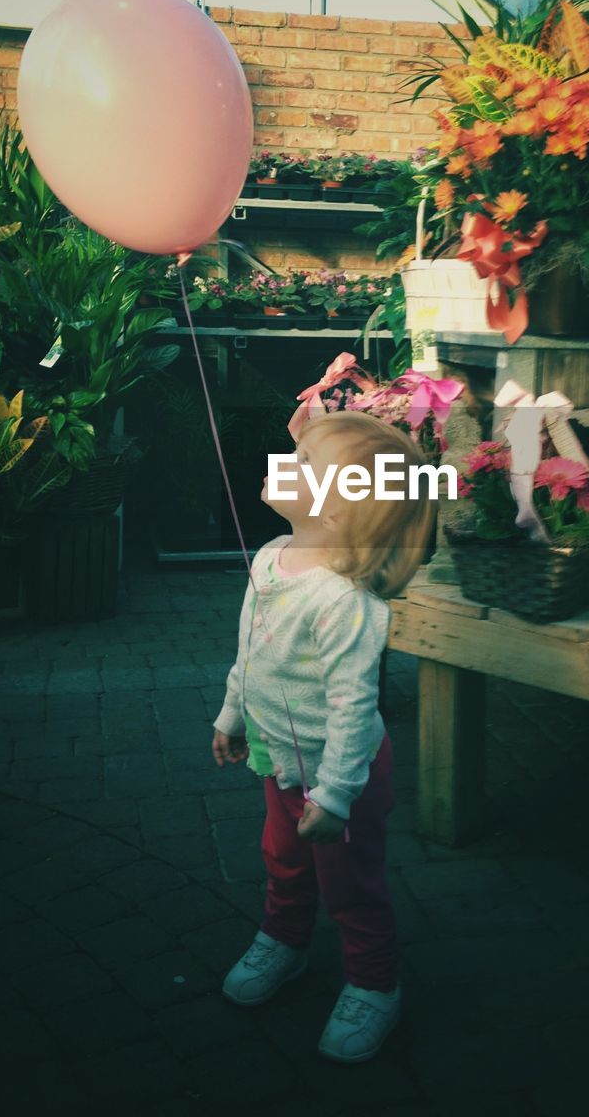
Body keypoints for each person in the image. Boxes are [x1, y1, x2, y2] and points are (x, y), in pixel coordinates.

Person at [212, 409, 436, 1063]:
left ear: (339, 513)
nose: (286, 465)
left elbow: (351, 704)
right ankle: (285, 941)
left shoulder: (346, 600)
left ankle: (374, 985)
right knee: (282, 861)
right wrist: (232, 714)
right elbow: (252, 651)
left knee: (350, 884)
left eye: (306, 465)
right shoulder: (274, 556)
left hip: (342, 778)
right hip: (277, 758)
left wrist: (335, 796)